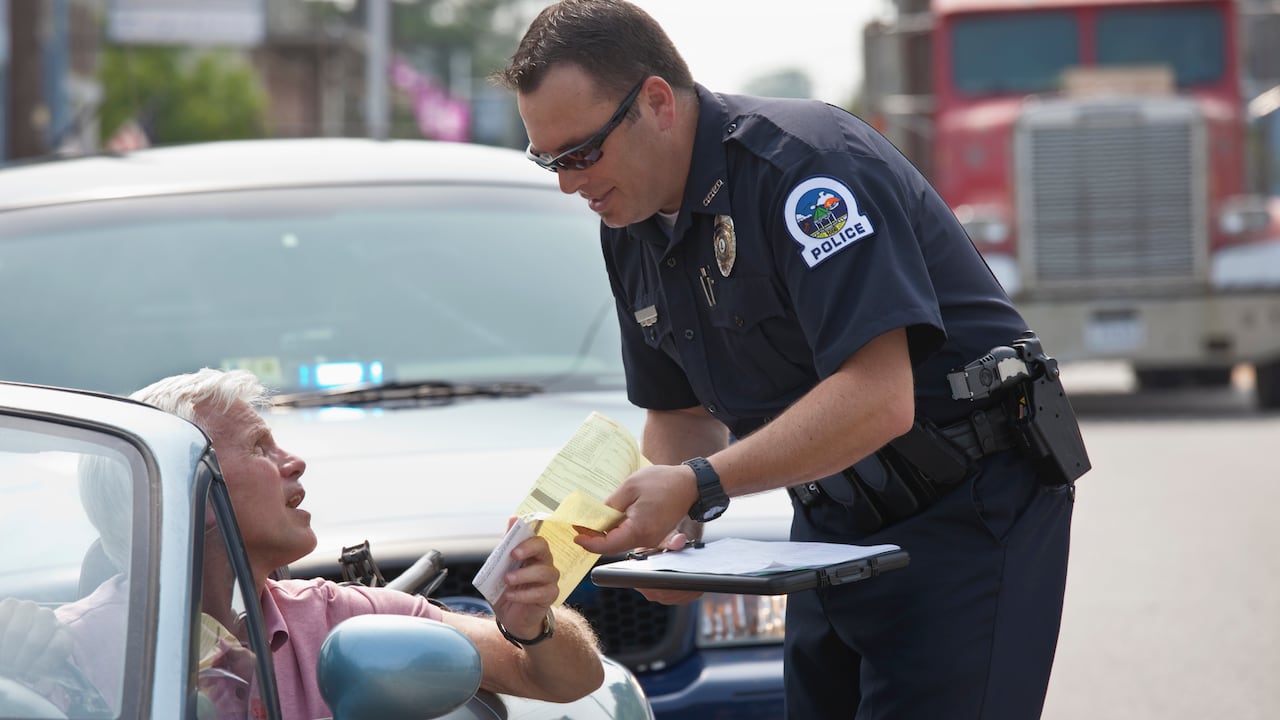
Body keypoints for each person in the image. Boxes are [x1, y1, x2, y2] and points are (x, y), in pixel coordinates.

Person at [494, 2, 1086, 718]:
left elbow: (879, 397)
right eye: (549, 160)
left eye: (581, 153)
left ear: (655, 103)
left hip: (967, 507)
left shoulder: (805, 168)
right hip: (830, 528)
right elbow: (679, 412)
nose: (568, 183)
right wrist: (678, 538)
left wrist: (697, 485)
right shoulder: (629, 223)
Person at [4, 368, 605, 719]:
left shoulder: (341, 615)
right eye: (261, 447)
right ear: (195, 491)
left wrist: (533, 623)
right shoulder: (62, 649)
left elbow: (569, 682)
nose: (295, 462)